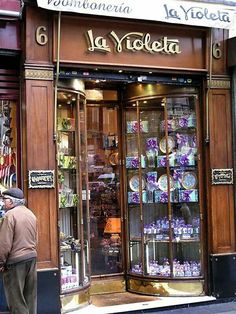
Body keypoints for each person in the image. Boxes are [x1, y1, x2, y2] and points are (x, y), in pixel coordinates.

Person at [0, 188, 37, 314]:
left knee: (16, 301)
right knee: (30, 299)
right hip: (31, 259)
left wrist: (1, 262)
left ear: (11, 201)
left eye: (4, 199)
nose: (3, 202)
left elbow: (4, 244)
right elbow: (36, 239)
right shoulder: (30, 214)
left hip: (15, 263)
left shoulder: (9, 215)